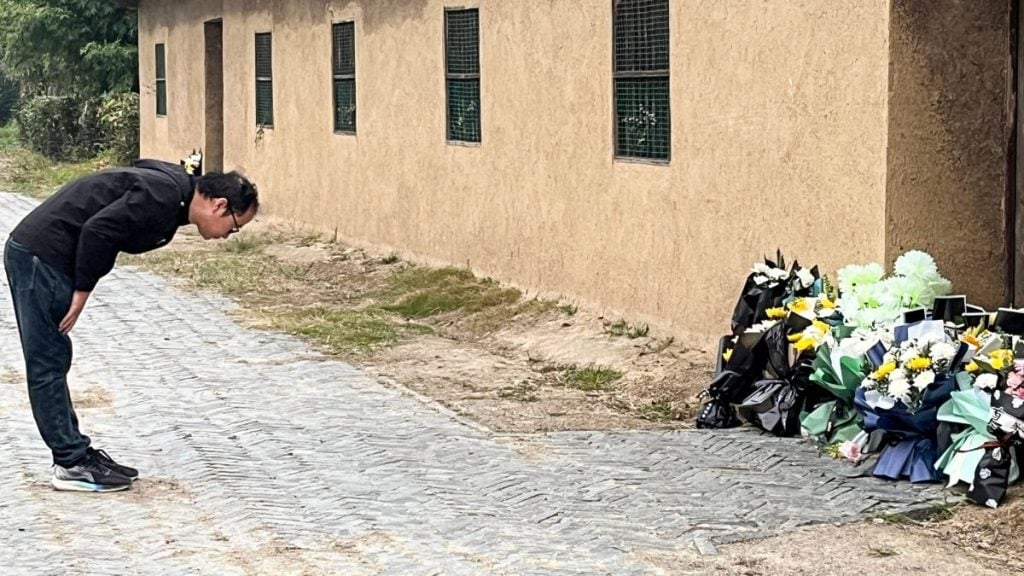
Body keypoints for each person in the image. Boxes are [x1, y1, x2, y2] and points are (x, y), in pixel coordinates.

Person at [3, 159, 259, 492]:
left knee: (54, 358)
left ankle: (76, 452)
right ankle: (70, 464)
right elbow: (98, 231)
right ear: (220, 205)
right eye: (234, 227)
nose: (227, 236)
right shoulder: (164, 197)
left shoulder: (176, 188)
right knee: (47, 360)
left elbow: (136, 170)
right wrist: (82, 291)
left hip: (46, 256)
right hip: (41, 257)